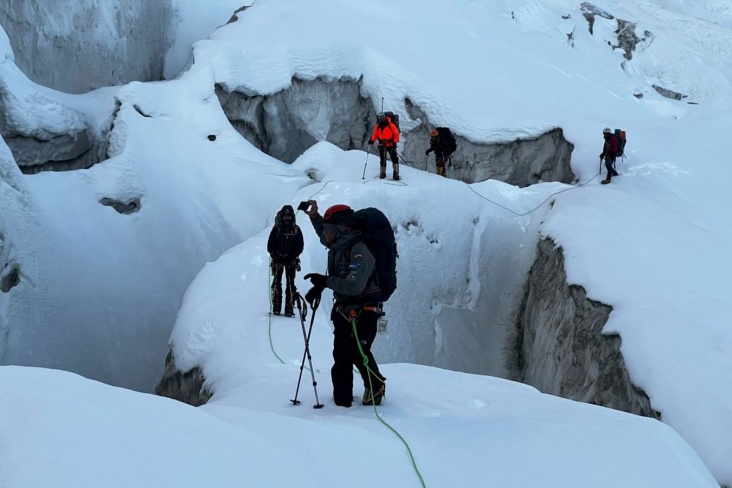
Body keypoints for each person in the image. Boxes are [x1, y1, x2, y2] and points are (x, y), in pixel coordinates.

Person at [302, 201, 387, 408]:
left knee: (358, 353)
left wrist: (325, 282)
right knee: (341, 355)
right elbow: (324, 233)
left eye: (329, 230)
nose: (325, 235)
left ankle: (376, 386)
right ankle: (341, 403)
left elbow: (354, 285)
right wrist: (315, 217)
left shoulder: (359, 250)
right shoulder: (338, 245)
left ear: (340, 230)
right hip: (344, 310)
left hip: (364, 311)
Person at [267, 205, 304, 317]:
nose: (287, 218)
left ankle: (289, 306)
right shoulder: (277, 229)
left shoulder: (296, 229)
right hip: (279, 259)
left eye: (288, 216)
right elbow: (270, 246)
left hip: (290, 260)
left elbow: (300, 246)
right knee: (278, 283)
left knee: (290, 283)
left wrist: (292, 256)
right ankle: (277, 306)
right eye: (285, 216)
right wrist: (275, 256)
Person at [368, 112, 401, 181]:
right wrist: (372, 140)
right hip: (382, 145)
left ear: (384, 117)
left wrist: (394, 143)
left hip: (391, 145)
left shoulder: (391, 125)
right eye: (380, 118)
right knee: (383, 159)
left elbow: (396, 134)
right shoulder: (378, 126)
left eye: (382, 118)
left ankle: (396, 173)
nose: (381, 119)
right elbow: (375, 135)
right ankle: (382, 173)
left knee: (394, 159)